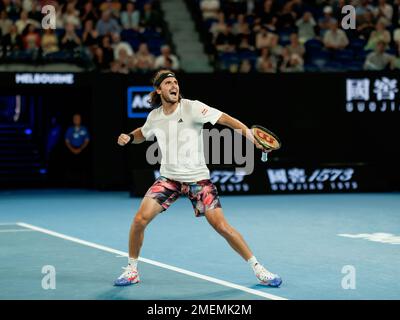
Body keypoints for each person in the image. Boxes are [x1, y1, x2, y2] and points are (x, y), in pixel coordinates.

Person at [115, 70, 282, 287]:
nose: (174, 86)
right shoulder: (154, 116)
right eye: (168, 83)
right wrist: (129, 137)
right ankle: (132, 270)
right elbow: (143, 133)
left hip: (198, 180)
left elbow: (227, 120)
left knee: (222, 226)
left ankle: (259, 269)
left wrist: (250, 136)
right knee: (139, 220)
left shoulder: (193, 107)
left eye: (175, 82)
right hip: (169, 179)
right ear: (159, 90)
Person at [64, 113, 90, 187]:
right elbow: (67, 141)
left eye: (78, 118)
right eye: (75, 119)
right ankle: (70, 184)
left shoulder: (84, 129)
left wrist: (80, 149)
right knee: (71, 166)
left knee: (82, 166)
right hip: (71, 149)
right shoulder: (70, 129)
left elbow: (87, 140)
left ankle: (83, 184)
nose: (76, 120)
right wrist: (72, 149)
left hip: (82, 150)